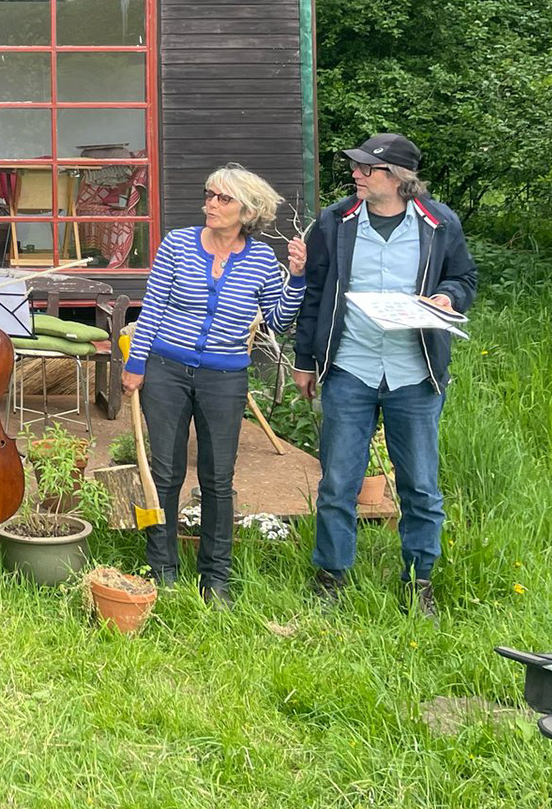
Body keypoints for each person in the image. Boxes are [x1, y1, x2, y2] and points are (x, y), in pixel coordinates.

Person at [293, 132, 477, 617]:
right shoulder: (335, 221)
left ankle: (419, 583)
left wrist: (447, 297)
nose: (355, 174)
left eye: (366, 168)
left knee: (420, 486)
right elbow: (315, 291)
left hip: (414, 373)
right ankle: (331, 579)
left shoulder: (439, 223)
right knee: (338, 483)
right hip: (349, 367)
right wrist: (306, 359)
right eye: (356, 167)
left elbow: (464, 277)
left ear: (397, 177)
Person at [120, 165, 306, 605]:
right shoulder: (178, 244)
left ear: (248, 211)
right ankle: (162, 569)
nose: (211, 204)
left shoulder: (262, 260)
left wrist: (297, 277)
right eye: (209, 195)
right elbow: (152, 308)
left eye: (223, 199)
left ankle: (215, 578)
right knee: (165, 473)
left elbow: (278, 320)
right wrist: (136, 363)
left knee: (219, 478)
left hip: (225, 377)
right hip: (166, 370)